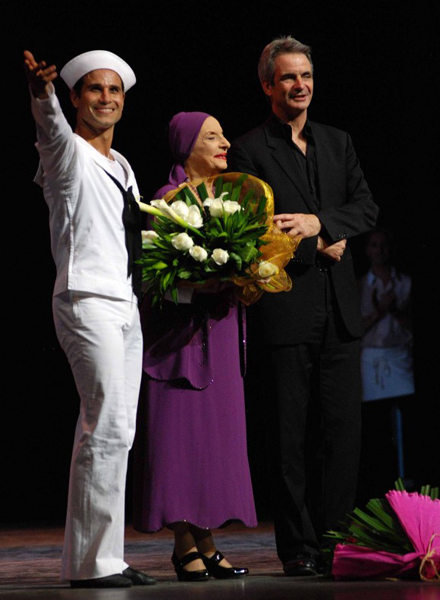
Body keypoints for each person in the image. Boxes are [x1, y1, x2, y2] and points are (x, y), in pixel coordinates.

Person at [228, 36, 379, 576]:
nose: (300, 86)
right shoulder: (248, 150)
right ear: (269, 84)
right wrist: (315, 244)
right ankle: (297, 547)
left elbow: (367, 207)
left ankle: (338, 541)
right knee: (289, 434)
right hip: (286, 306)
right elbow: (250, 231)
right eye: (289, 77)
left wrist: (322, 223)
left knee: (341, 433)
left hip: (339, 309)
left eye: (307, 76)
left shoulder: (337, 142)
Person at [24, 50, 155, 588]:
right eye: (95, 90)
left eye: (115, 91)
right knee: (104, 424)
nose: (106, 99)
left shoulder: (122, 165)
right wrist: (41, 95)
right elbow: (51, 129)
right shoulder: (67, 153)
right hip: (86, 298)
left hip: (125, 302)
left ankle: (106, 556)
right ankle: (90, 565)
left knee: (118, 431)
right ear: (76, 97)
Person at [133, 112, 257, 581]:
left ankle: (205, 540)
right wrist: (196, 286)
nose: (224, 142)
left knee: (212, 443)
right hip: (179, 341)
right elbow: (150, 277)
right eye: (212, 136)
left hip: (220, 335)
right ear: (187, 147)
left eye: (223, 134)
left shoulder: (231, 199)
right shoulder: (167, 202)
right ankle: (184, 543)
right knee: (179, 442)